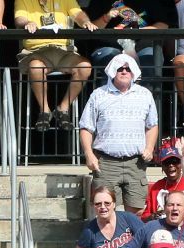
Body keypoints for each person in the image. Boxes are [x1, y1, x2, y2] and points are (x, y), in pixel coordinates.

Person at [77, 54, 157, 215]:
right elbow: (86, 128)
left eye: (128, 68)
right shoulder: (98, 95)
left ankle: (130, 241)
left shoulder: (145, 94)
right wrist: (89, 154)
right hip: (106, 163)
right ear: (113, 71)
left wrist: (149, 148)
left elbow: (152, 125)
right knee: (105, 210)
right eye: (120, 68)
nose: (124, 71)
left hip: (136, 162)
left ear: (134, 71)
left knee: (137, 211)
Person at [15, 0, 93, 130]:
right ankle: (45, 111)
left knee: (84, 66)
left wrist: (85, 22)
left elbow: (78, 14)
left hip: (63, 52)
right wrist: (27, 23)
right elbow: (19, 18)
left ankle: (63, 109)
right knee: (35, 67)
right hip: (37, 51)